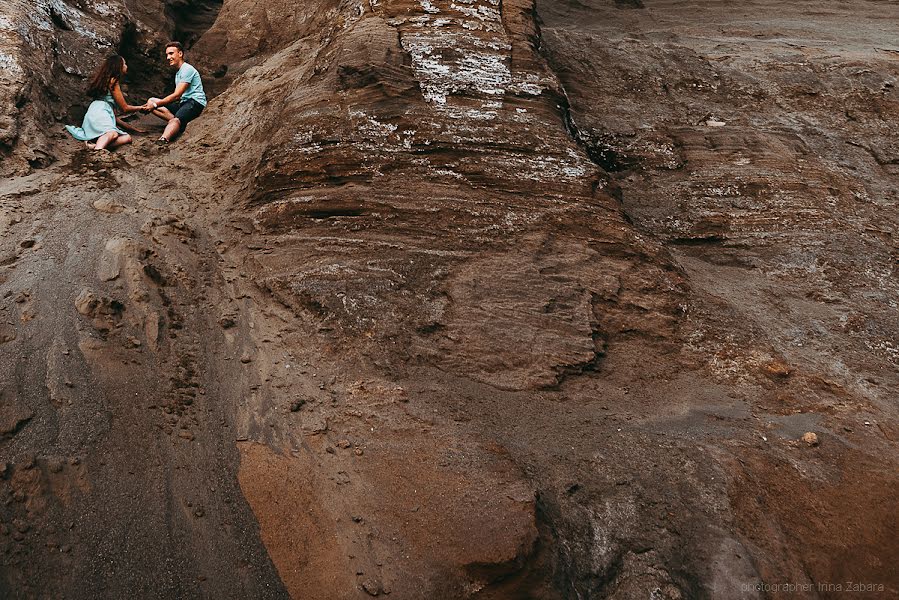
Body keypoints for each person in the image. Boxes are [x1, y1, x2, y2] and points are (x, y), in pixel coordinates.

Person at [65, 55, 148, 150]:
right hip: (100, 116)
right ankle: (98, 150)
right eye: (124, 64)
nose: (126, 66)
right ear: (118, 66)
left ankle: (93, 146)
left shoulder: (104, 82)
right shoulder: (113, 82)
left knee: (127, 138)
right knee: (112, 133)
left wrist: (134, 130)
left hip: (91, 115)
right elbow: (125, 108)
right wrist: (142, 107)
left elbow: (113, 118)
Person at [146, 42, 207, 144]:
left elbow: (177, 95)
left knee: (174, 119)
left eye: (171, 53)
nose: (168, 57)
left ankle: (164, 139)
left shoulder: (187, 69)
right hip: (184, 103)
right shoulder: (179, 72)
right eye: (167, 55)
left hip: (195, 103)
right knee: (150, 101)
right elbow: (178, 97)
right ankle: (180, 124)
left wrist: (156, 105)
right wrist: (152, 104)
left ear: (180, 54)